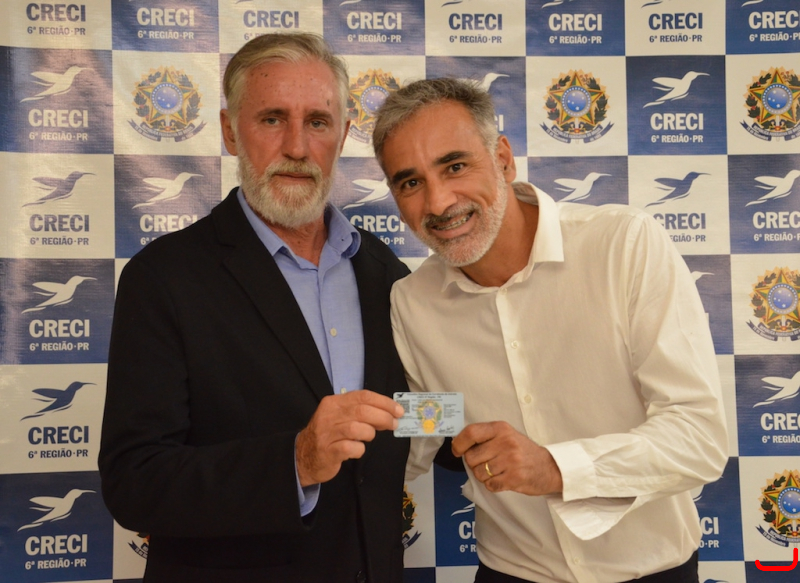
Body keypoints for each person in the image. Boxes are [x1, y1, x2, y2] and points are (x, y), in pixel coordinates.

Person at [371, 78, 728, 583]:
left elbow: (699, 436)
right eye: (410, 183)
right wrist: (332, 448)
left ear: (503, 159)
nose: (438, 201)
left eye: (455, 166)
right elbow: (434, 421)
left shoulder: (624, 245)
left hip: (655, 571)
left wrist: (556, 467)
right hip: (509, 573)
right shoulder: (413, 303)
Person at [99, 32, 410, 583]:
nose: (297, 147)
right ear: (229, 131)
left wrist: (478, 414)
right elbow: (135, 482)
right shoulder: (164, 277)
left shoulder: (383, 271)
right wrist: (296, 461)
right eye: (272, 119)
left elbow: (415, 413)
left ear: (342, 135)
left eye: (318, 122)